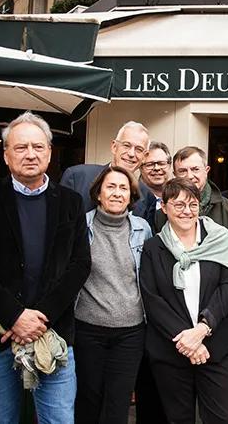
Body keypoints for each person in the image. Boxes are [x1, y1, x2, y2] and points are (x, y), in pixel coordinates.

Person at [0, 111, 91, 423]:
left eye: (38, 146)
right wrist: (14, 315)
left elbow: (80, 264)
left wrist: (39, 318)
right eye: (20, 147)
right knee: (2, 419)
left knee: (58, 418)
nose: (30, 154)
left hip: (53, 333)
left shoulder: (71, 202)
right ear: (6, 155)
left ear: (49, 151)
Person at [139, 178, 228, 424]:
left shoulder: (220, 239)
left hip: (215, 347)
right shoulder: (153, 247)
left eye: (193, 205)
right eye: (179, 205)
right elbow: (152, 299)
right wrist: (187, 340)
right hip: (171, 350)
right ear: (164, 208)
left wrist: (202, 329)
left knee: (220, 419)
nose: (187, 211)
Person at [75, 166, 152, 424]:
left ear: (131, 196)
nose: (117, 193)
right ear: (98, 193)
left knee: (118, 404)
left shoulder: (142, 229)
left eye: (124, 189)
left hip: (131, 333)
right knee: (87, 400)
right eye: (111, 187)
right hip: (88, 329)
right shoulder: (80, 226)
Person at [61, 120, 151, 215]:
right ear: (114, 147)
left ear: (145, 157)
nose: (131, 154)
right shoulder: (77, 178)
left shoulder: (146, 196)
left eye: (139, 149)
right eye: (126, 146)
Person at [138, 141, 172, 227]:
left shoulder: (178, 196)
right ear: (140, 168)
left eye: (161, 163)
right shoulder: (132, 198)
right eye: (150, 164)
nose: (156, 168)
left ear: (169, 165)